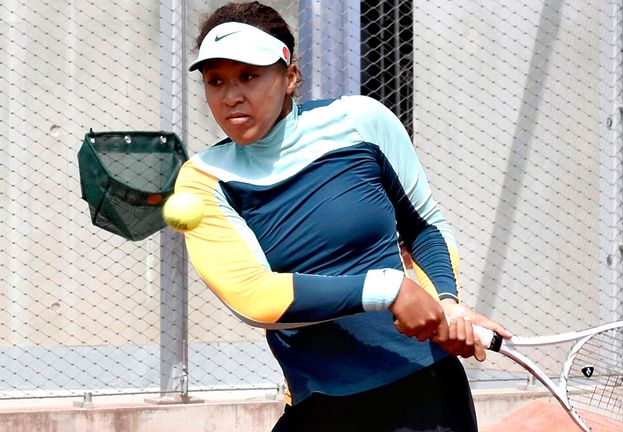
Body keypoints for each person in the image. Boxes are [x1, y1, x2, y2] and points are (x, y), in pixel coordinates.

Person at [176, 2, 511, 431]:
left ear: (290, 76)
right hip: (320, 402)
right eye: (215, 80)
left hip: (425, 393)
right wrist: (390, 289)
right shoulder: (203, 180)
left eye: (249, 76)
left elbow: (424, 226)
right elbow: (254, 296)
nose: (230, 95)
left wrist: (446, 305)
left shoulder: (360, 122)